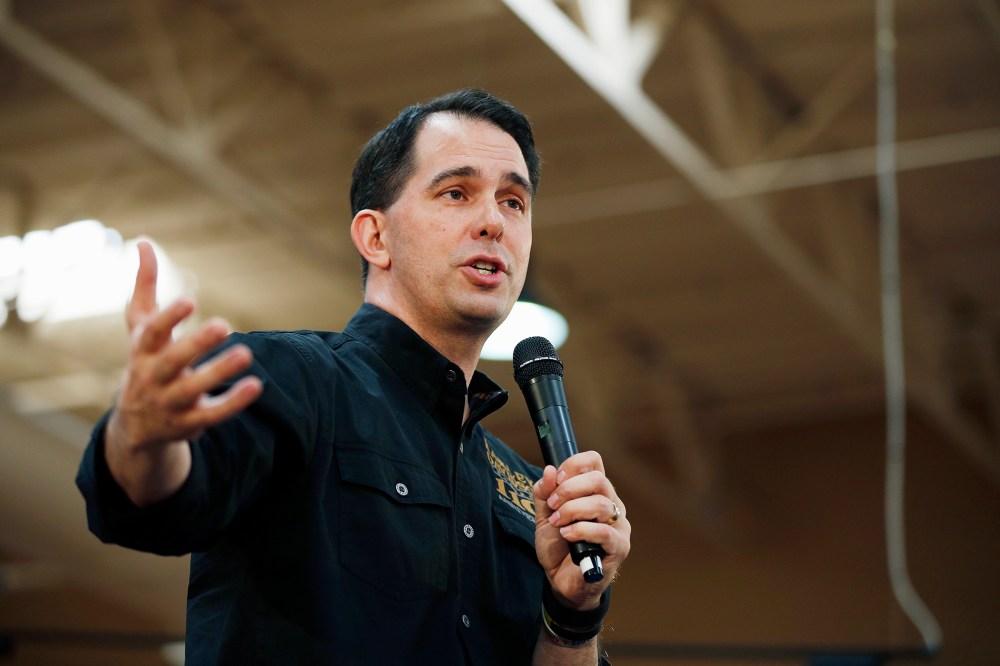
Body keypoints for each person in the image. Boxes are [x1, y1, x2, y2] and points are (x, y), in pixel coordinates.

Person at [77, 89, 631, 665]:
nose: (493, 221)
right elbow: (156, 502)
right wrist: (140, 436)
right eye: (456, 193)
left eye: (513, 202)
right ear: (375, 237)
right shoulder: (285, 378)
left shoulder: (531, 493)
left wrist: (573, 615)